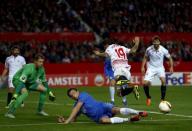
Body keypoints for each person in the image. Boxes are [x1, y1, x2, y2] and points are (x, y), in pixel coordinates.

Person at [5, 54, 56, 118]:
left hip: (29, 82)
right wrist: (16, 94)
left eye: (42, 62)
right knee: (25, 93)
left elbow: (45, 82)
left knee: (44, 90)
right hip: (18, 80)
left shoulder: (42, 69)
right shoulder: (28, 68)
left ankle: (39, 111)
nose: (42, 63)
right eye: (40, 61)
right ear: (35, 61)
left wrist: (50, 93)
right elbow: (21, 82)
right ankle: (10, 112)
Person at [58, 88, 147, 124]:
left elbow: (77, 108)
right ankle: (129, 119)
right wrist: (64, 120)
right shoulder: (75, 106)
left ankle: (138, 112)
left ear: (78, 92)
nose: (74, 95)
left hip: (103, 106)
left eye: (74, 92)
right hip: (100, 117)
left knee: (116, 109)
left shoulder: (83, 95)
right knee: (103, 121)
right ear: (71, 98)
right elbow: (74, 118)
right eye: (71, 95)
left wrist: (67, 121)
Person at [94, 37, 140, 101]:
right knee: (119, 93)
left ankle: (130, 84)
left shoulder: (109, 48)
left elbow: (106, 55)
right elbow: (133, 50)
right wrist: (137, 43)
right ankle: (132, 88)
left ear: (107, 45)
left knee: (116, 81)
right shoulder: (123, 47)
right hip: (127, 70)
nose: (104, 48)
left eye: (104, 46)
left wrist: (98, 54)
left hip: (118, 69)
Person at [141, 36, 174, 106]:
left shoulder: (163, 50)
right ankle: (148, 97)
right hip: (151, 68)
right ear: (153, 42)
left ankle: (162, 99)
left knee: (163, 81)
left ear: (159, 42)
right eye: (154, 42)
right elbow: (145, 57)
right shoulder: (149, 49)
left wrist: (171, 67)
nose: (156, 43)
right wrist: (142, 67)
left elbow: (170, 58)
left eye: (157, 42)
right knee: (145, 83)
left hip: (160, 68)